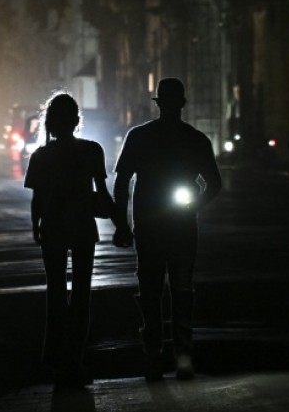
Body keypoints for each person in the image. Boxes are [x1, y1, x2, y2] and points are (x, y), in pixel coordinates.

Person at [112, 77, 222, 382]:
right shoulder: (195, 139)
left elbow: (123, 182)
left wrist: (122, 223)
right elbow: (212, 183)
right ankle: (180, 354)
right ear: (178, 104)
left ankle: (154, 354)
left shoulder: (140, 137)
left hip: (150, 226)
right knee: (180, 289)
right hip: (180, 226)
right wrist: (194, 204)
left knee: (152, 291)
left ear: (159, 103)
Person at [23, 92, 112, 389]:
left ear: (49, 122)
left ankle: (55, 358)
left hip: (53, 229)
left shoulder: (41, 156)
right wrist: (122, 223)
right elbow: (103, 192)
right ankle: (76, 359)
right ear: (76, 121)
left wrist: (36, 226)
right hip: (83, 227)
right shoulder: (91, 151)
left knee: (56, 293)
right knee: (82, 294)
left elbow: (37, 198)